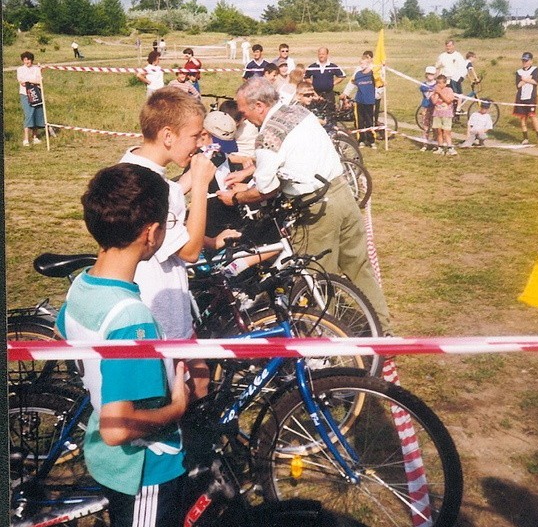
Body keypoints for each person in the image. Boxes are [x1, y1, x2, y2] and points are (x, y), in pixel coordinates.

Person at [55, 162, 193, 527]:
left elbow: (65, 331)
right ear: (150, 233)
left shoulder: (82, 286)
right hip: (145, 470)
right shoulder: (131, 318)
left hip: (113, 463)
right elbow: (118, 428)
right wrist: (178, 404)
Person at [217, 78, 393, 334]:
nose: (242, 118)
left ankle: (328, 339)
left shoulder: (266, 136)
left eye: (243, 112)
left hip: (316, 210)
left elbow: (267, 190)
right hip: (342, 194)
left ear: (258, 106)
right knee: (359, 267)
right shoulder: (298, 111)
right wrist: (252, 169)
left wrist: (234, 198)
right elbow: (295, 150)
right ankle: (384, 330)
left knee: (316, 278)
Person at [119, 87, 239, 400]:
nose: (201, 142)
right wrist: (199, 185)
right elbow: (188, 251)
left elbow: (169, 193)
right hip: (157, 310)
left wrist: (212, 239)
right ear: (168, 135)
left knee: (198, 381)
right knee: (186, 390)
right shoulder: (159, 190)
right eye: (196, 135)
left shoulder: (132, 166)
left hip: (150, 302)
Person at [342, 56, 377, 149]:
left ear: (368, 63)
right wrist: (346, 94)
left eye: (363, 63)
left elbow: (380, 84)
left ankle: (371, 140)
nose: (361, 65)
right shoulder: (358, 74)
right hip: (359, 101)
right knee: (360, 122)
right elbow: (352, 84)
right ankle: (361, 140)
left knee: (369, 121)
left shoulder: (373, 74)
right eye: (360, 63)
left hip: (369, 101)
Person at [512, 52, 538, 145]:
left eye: (526, 60)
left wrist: (524, 79)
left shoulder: (535, 69)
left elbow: (535, 81)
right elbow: (518, 85)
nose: (524, 62)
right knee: (522, 118)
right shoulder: (519, 72)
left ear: (531, 61)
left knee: (532, 116)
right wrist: (527, 79)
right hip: (521, 97)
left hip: (531, 97)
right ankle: (525, 138)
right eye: (523, 60)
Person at [17, 51, 46, 147]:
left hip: (37, 94)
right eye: (25, 60)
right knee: (29, 114)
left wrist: (30, 81)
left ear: (32, 60)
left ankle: (35, 137)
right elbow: (22, 82)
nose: (27, 61)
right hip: (25, 94)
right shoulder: (20, 69)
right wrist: (31, 82)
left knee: (37, 114)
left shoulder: (36, 69)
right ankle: (26, 139)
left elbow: (39, 81)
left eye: (28, 59)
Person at [430, 74, 457, 156]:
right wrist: (436, 93)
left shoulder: (449, 90)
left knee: (447, 132)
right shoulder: (435, 92)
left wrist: (441, 93)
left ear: (445, 83)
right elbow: (434, 102)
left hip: (446, 114)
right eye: (437, 83)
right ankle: (440, 147)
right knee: (439, 132)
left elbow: (449, 100)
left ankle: (450, 148)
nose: (438, 85)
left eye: (440, 83)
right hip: (437, 114)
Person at [419, 66, 438, 151]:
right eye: (429, 74)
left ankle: (435, 144)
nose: (430, 76)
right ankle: (425, 144)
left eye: (432, 74)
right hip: (426, 107)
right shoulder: (423, 85)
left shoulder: (437, 84)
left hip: (435, 108)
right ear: (426, 74)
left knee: (435, 126)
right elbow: (426, 91)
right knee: (426, 126)